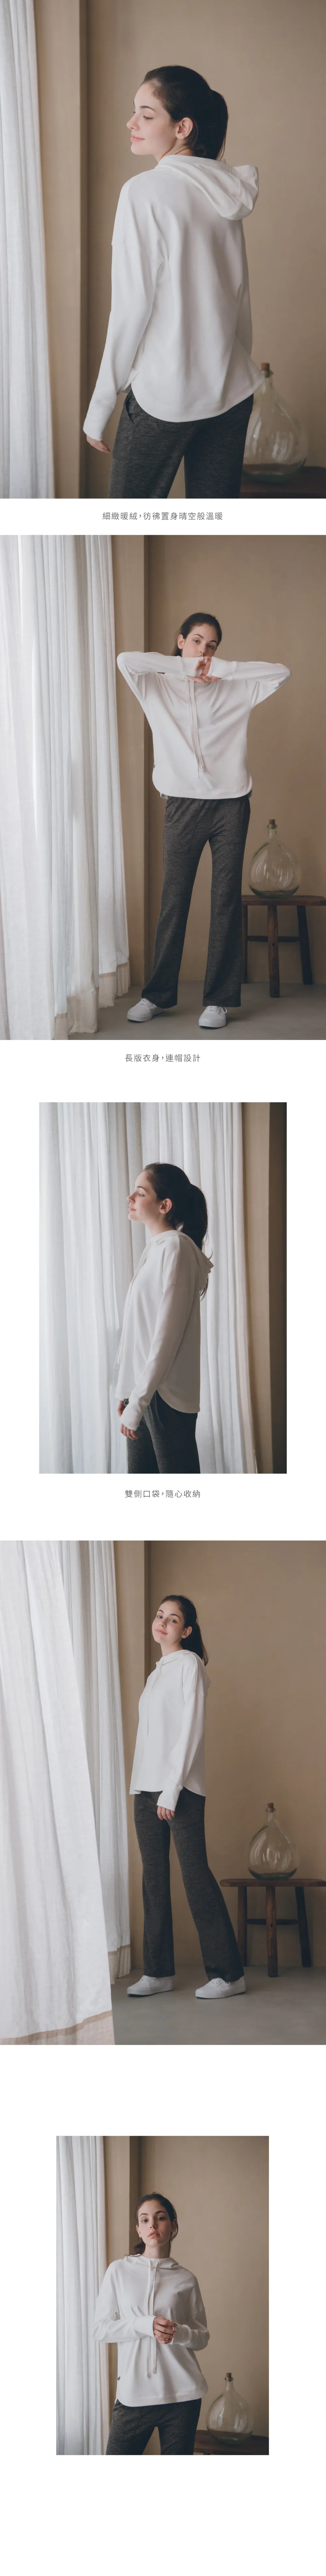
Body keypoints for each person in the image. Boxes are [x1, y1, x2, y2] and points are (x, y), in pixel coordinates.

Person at [83, 64, 261, 498]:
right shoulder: (226, 190)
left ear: (182, 127)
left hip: (167, 394)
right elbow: (238, 294)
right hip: (232, 386)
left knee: (127, 519)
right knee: (213, 522)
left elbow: (131, 308)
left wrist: (101, 404)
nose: (131, 123)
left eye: (146, 115)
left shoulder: (143, 191)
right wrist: (230, 360)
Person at [118, 615, 291, 1028]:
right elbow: (125, 660)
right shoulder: (155, 685)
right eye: (196, 641)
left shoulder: (235, 687)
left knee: (224, 900)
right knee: (174, 900)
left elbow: (281, 673)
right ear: (181, 641)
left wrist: (222, 670)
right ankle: (157, 995)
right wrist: (183, 668)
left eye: (211, 646)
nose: (204, 651)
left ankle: (218, 1000)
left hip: (231, 805)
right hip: (182, 806)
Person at [127, 1591, 245, 2003]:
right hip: (145, 1789)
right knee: (153, 1881)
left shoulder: (190, 1665)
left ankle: (228, 1975)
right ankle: (157, 1972)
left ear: (187, 1630)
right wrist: (142, 1786)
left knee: (195, 1878)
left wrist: (172, 1789)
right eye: (160, 1615)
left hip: (179, 1790)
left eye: (173, 1619)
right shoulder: (156, 1674)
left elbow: (191, 1730)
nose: (162, 1622)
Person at [94, 2190, 209, 2454]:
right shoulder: (119, 2271)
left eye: (160, 2217)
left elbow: (202, 2337)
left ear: (173, 2225)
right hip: (134, 2396)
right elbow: (100, 2330)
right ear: (138, 2229)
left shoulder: (186, 2279)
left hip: (184, 2396)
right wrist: (144, 2324)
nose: (153, 2225)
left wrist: (179, 2333)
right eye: (145, 2220)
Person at [115, 1163, 212, 1474]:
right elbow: (139, 1330)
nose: (130, 1197)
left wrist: (139, 1398)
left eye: (140, 1192)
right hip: (145, 1391)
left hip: (164, 1395)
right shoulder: (157, 1249)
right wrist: (129, 1391)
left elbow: (166, 1336)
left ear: (164, 1205)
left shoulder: (176, 1249)